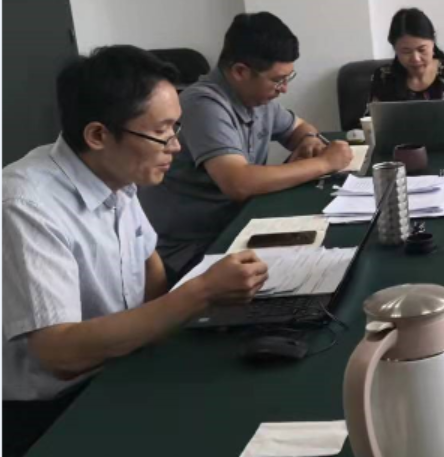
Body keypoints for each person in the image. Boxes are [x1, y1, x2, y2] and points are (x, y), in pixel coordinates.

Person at [3, 46, 268, 455]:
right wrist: (199, 293)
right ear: (98, 135)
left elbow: (149, 264)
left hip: (120, 366)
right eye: (162, 131)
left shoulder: (114, 171)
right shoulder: (26, 205)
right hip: (51, 412)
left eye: (176, 127)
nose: (175, 146)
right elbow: (60, 352)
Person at [140, 13, 352, 281]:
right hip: (196, 249)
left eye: (288, 78)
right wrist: (324, 163)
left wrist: (309, 139)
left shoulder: (257, 98)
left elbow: (299, 127)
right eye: (277, 80)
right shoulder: (203, 104)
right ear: (240, 71)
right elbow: (239, 182)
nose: (284, 89)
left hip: (240, 227)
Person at [369, 8, 444, 110]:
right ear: (395, 48)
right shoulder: (383, 77)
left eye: (422, 50)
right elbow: (371, 117)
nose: (416, 58)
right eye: (406, 51)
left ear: (433, 43)